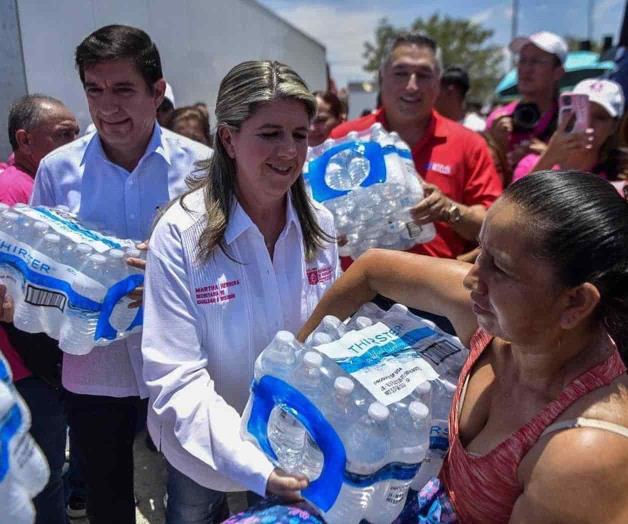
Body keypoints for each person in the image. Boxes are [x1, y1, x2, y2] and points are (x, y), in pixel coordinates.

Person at [298, 171, 628, 523]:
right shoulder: (502, 325)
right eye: (481, 250)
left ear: (575, 303)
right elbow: (372, 269)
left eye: (499, 267)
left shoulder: (582, 456)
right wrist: (296, 361)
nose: (471, 277)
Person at [14, 25, 211, 524]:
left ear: (157, 91)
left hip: (181, 366)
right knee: (107, 501)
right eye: (94, 90)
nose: (107, 106)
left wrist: (169, 275)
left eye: (123, 89)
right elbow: (43, 265)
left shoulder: (203, 169)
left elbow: (225, 265)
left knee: (193, 501)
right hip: (93, 371)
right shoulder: (58, 171)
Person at [141, 60, 339, 523]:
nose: (288, 151)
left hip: (291, 452)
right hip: (201, 455)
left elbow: (327, 340)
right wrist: (255, 466)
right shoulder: (180, 234)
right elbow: (176, 377)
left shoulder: (321, 226)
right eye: (270, 133)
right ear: (228, 139)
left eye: (299, 134)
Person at [330, 33, 502, 262]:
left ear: (438, 82)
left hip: (433, 292)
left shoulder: (469, 144)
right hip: (354, 288)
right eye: (401, 73)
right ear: (382, 77)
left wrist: (449, 210)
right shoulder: (344, 139)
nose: (412, 86)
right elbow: (310, 217)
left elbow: (495, 225)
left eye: (423, 75)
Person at [0, 94, 79, 524]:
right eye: (63, 136)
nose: (75, 145)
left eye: (76, 134)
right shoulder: (16, 191)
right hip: (26, 364)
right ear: (25, 140)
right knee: (44, 478)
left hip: (28, 362)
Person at [513, 79, 625, 182]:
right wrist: (548, 159)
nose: (589, 123)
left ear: (614, 127)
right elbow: (513, 203)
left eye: (600, 117)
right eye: (581, 112)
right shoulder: (530, 164)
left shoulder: (619, 178)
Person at [486, 32, 567, 161]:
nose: (526, 69)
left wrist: (550, 158)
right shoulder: (499, 118)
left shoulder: (568, 122)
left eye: (537, 61)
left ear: (558, 72)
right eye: (522, 60)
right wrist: (498, 149)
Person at [435, 66, 486, 131]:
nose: (432, 95)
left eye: (436, 89)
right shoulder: (426, 127)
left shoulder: (477, 127)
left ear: (450, 91)